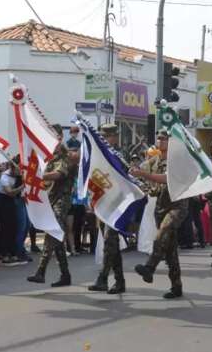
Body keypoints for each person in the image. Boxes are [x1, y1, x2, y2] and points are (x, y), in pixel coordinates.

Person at [130, 128, 189, 299]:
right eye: (159, 138)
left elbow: (166, 178)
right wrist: (133, 172)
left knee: (162, 233)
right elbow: (137, 174)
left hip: (177, 206)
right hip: (160, 207)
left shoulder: (177, 161)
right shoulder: (152, 161)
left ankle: (150, 267)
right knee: (169, 250)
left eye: (165, 138)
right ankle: (176, 286)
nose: (161, 140)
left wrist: (143, 174)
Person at [27, 124, 75, 287]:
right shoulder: (48, 157)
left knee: (52, 232)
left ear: (60, 137)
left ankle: (41, 271)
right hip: (50, 199)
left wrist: (38, 175)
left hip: (62, 200)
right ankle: (65, 275)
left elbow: (58, 175)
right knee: (57, 236)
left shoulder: (66, 157)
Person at [88, 123, 126, 295]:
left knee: (110, 241)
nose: (103, 139)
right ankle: (119, 281)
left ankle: (102, 278)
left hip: (117, 203)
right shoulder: (99, 154)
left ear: (114, 137)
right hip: (104, 202)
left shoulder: (118, 155)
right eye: (101, 136)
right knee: (112, 244)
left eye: (106, 136)